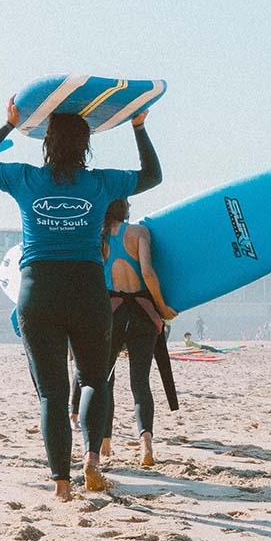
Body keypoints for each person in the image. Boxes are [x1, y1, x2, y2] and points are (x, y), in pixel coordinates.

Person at [0, 98, 161, 500]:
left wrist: (7, 124)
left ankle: (60, 483)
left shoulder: (25, 179)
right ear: (87, 145)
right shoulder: (101, 183)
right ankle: (91, 460)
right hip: (87, 288)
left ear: (46, 143)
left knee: (52, 393)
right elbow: (152, 176)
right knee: (93, 378)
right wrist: (138, 126)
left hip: (38, 289)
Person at [100, 198, 177, 467]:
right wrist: (162, 307)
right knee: (140, 383)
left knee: (104, 380)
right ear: (125, 209)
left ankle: (104, 442)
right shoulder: (139, 233)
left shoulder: (97, 238)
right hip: (143, 314)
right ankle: (146, 446)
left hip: (111, 314)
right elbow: (148, 272)